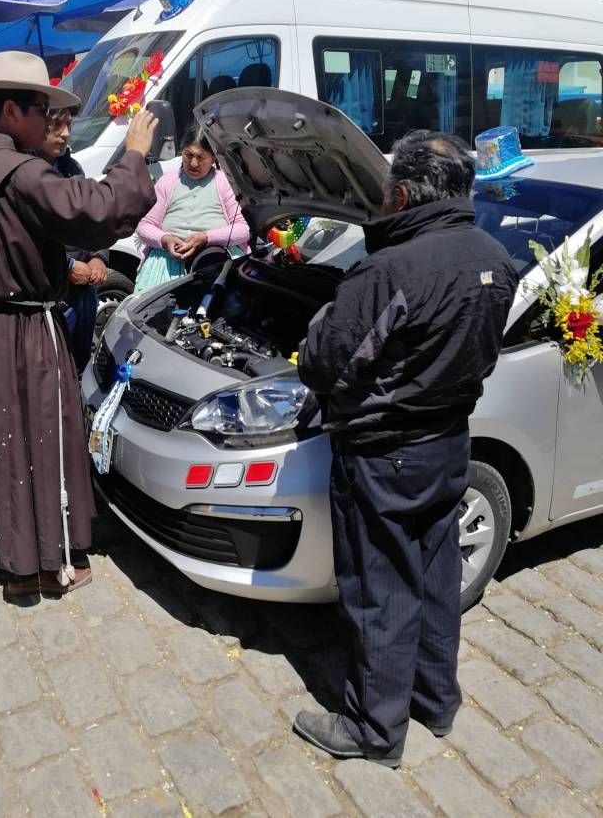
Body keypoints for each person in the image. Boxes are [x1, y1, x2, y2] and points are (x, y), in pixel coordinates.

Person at [294, 131, 519, 766]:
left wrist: (319, 326)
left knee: (379, 586)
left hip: (383, 450)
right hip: (449, 441)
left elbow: (323, 362)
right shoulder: (496, 258)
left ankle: (374, 728)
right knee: (436, 573)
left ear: (400, 196)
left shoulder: (392, 268)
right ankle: (435, 699)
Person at [0, 51, 157, 599]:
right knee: (37, 436)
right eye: (42, 110)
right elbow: (96, 209)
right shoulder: (18, 170)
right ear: (12, 110)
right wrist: (133, 154)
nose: (50, 122)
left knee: (0, 438)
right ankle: (33, 567)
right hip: (23, 330)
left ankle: (3, 548)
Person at [134, 122, 249, 292]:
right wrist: (165, 240)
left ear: (214, 157)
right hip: (166, 264)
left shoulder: (225, 183)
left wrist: (206, 238)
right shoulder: (168, 181)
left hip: (214, 262)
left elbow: (243, 229)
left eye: (201, 157)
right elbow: (144, 225)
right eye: (188, 155)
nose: (193, 163)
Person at [38, 105, 107, 374]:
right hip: (50, 296)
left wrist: (98, 257)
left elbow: (90, 218)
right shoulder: (25, 171)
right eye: (57, 125)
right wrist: (66, 267)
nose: (66, 133)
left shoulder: (71, 167)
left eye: (69, 125)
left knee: (80, 369)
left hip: (83, 292)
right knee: (51, 372)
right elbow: (29, 238)